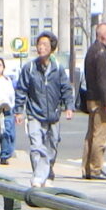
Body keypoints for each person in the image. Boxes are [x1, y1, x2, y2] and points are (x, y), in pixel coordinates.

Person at [14, 33, 73, 189]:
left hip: (53, 114)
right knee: (36, 145)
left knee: (52, 145)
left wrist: (69, 106)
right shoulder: (30, 68)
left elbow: (66, 88)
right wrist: (19, 110)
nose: (41, 48)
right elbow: (21, 89)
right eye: (39, 44)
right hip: (34, 113)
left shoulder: (58, 68)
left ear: (52, 48)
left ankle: (47, 172)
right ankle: (38, 177)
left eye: (45, 45)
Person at [79, 21, 106, 179]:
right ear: (102, 35)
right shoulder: (101, 53)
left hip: (91, 98)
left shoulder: (91, 50)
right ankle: (95, 169)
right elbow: (103, 80)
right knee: (100, 136)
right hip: (99, 101)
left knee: (91, 135)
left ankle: (87, 168)